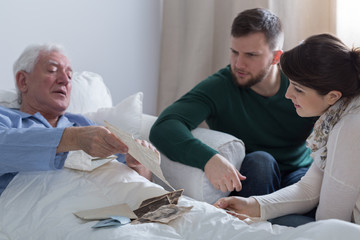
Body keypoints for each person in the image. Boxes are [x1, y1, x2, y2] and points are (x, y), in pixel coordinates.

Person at [150, 8, 316, 197]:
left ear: (276, 57)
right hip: (253, 178)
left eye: (251, 55)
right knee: (261, 161)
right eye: (235, 52)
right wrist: (209, 158)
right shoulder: (219, 86)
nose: (238, 64)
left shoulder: (300, 85)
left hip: (298, 173)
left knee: (306, 207)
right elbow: (164, 127)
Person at [214, 33, 360, 226]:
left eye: (298, 89)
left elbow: (330, 221)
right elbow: (309, 189)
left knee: (271, 225)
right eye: (290, 83)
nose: (288, 94)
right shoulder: (340, 112)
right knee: (265, 220)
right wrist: (252, 204)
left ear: (333, 96)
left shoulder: (351, 126)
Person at [0, 43, 155, 196]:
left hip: (111, 212)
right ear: (23, 81)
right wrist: (73, 138)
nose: (65, 80)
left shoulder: (84, 124)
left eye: (69, 75)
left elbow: (138, 183)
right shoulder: (6, 119)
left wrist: (140, 162)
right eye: (52, 70)